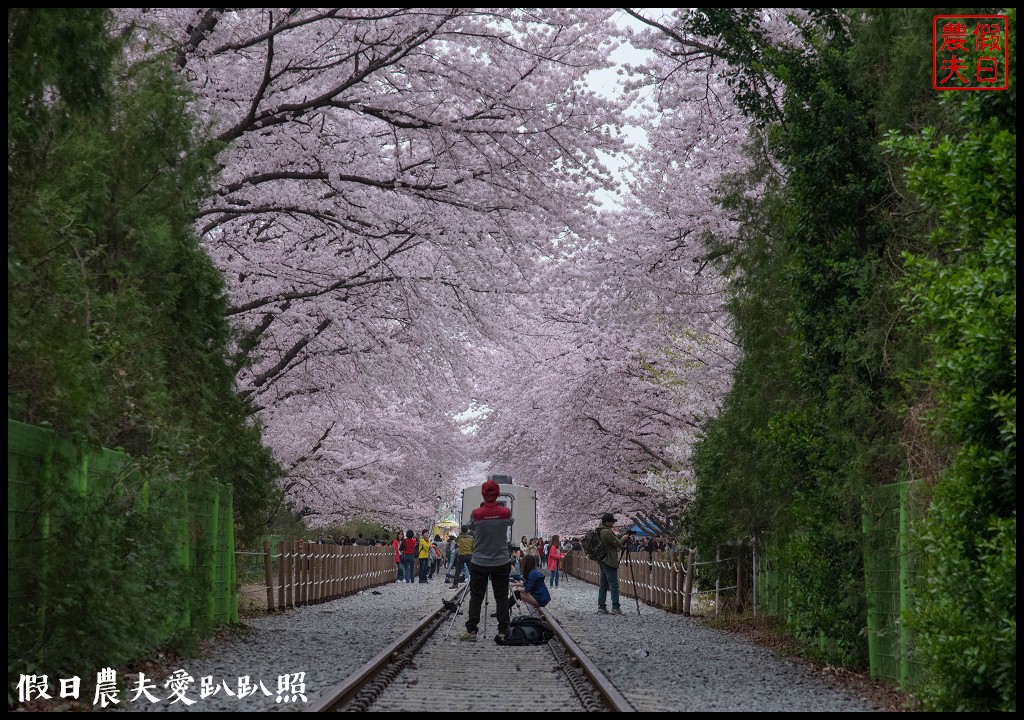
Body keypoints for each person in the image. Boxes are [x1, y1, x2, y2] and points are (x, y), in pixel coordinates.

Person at [460, 479, 513, 643]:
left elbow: (470, 526)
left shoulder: (476, 514)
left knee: (476, 597)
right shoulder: (505, 512)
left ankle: (472, 631)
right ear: (497, 493)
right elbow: (510, 522)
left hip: (479, 561)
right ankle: (503, 631)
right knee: (502, 597)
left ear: (483, 493)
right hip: (501, 560)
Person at [595, 512, 633, 615]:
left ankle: (602, 607)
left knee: (603, 584)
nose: (613, 524)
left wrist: (623, 534)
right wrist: (625, 537)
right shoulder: (606, 532)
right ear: (607, 522)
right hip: (609, 560)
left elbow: (614, 537)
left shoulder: (601, 531)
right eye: (612, 522)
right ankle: (615, 606)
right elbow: (617, 543)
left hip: (602, 559)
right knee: (613, 584)